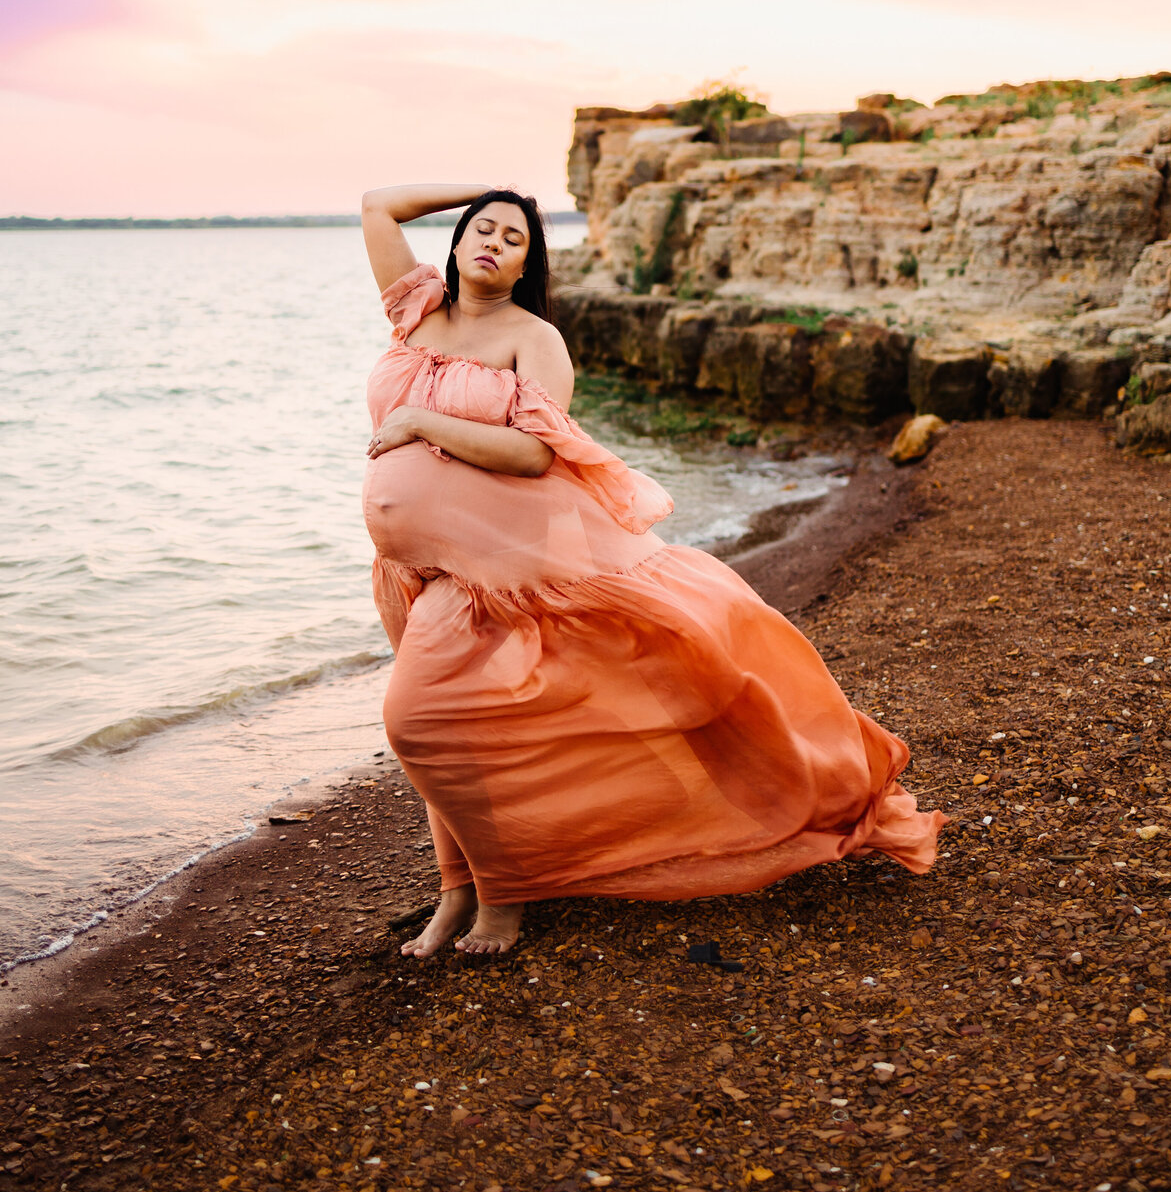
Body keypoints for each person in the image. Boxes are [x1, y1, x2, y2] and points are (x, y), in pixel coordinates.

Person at [361, 182, 944, 958]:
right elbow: (377, 204)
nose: (494, 242)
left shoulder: (533, 338)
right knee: (453, 727)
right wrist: (493, 187)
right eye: (483, 229)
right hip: (410, 572)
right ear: (458, 239)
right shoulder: (416, 312)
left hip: (499, 578)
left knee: (418, 721)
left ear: (529, 263)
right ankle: (456, 891)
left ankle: (504, 898)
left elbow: (538, 453)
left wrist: (419, 421)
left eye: (515, 238)